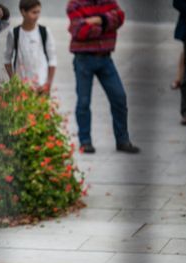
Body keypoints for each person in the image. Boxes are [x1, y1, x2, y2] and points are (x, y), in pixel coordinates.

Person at [67, 0, 140, 154]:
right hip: (83, 59)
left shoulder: (108, 1)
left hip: (106, 58)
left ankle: (122, 141)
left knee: (119, 97)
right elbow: (78, 30)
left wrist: (95, 21)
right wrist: (106, 23)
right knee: (84, 101)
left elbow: (119, 17)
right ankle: (85, 142)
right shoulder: (74, 4)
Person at [4, 0, 56, 94]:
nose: (37, 16)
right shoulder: (14, 33)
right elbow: (7, 60)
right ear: (23, 12)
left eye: (38, 12)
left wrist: (48, 84)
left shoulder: (45, 31)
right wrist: (13, 81)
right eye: (34, 12)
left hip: (41, 87)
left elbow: (52, 60)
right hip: (21, 88)